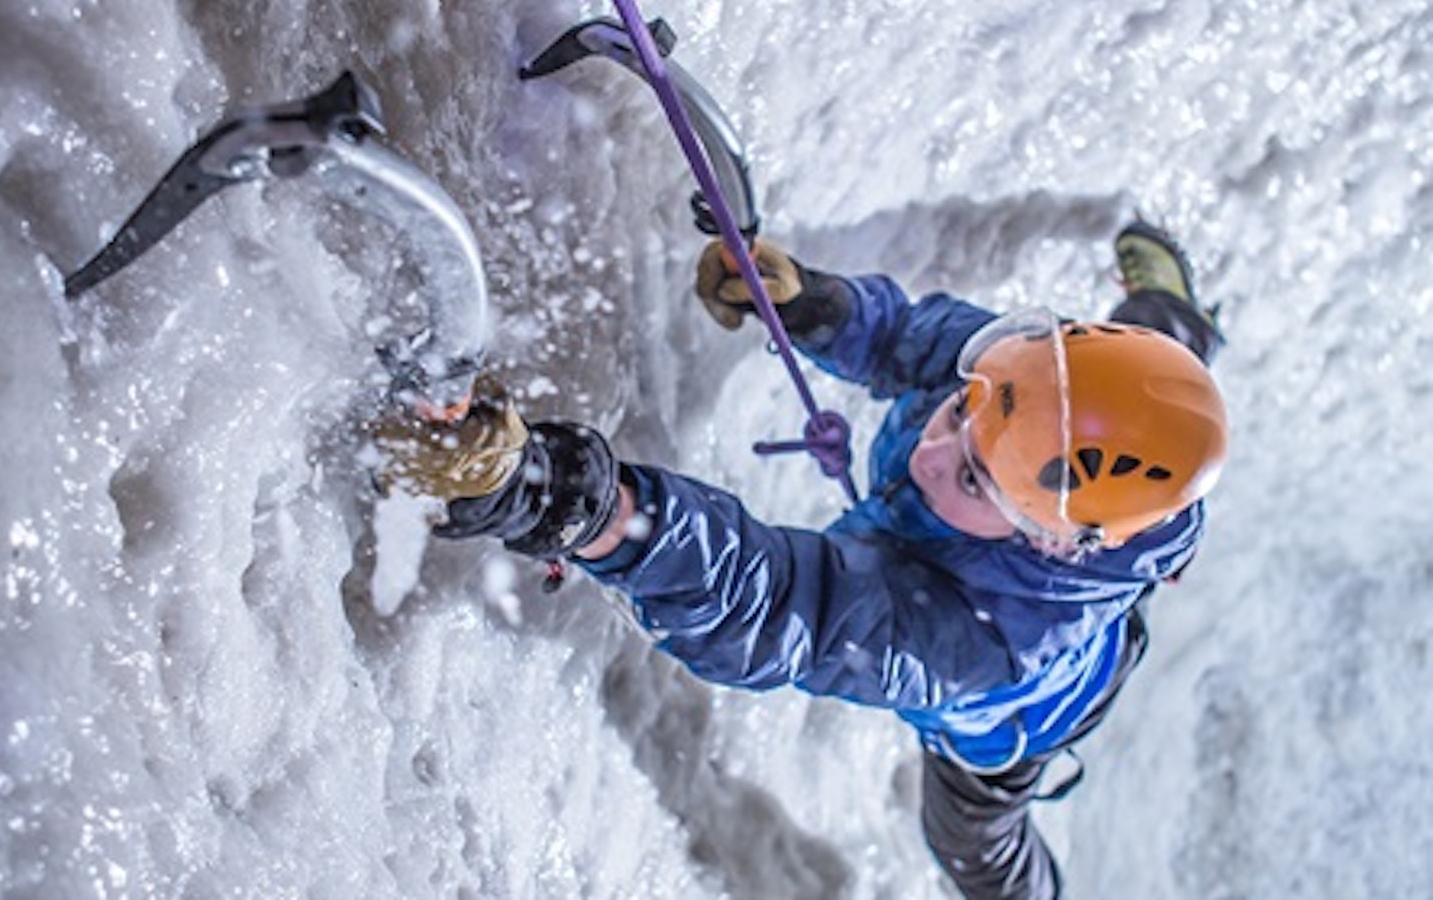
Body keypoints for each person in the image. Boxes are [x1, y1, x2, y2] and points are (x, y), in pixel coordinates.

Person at [372, 219, 1228, 900]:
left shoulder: (977, 651)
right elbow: (926, 344)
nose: (936, 448)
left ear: (1049, 536)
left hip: (1016, 727)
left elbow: (780, 605)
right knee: (1145, 365)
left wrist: (576, 502)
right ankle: (1177, 329)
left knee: (977, 848)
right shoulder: (1037, 389)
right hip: (1094, 538)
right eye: (962, 409)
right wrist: (818, 305)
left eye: (973, 473)